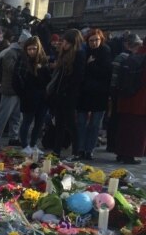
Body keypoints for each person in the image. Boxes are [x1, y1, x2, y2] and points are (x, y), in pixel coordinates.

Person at [48, 29, 86, 158]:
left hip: (69, 95)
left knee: (71, 124)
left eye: (64, 41)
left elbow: (77, 78)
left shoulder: (79, 55)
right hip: (59, 94)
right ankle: (56, 150)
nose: (62, 44)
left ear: (71, 42)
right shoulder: (64, 54)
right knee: (59, 124)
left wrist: (67, 91)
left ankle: (76, 151)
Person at [0, 30, 31, 146]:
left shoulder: (19, 53)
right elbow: (11, 69)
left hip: (18, 89)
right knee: (4, 115)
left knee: (17, 116)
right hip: (10, 88)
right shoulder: (10, 53)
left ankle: (14, 136)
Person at [76, 29, 112, 160]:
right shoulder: (83, 52)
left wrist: (91, 65)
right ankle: (80, 148)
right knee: (81, 123)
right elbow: (80, 72)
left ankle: (89, 149)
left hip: (99, 94)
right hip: (84, 93)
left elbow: (106, 72)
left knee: (95, 124)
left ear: (101, 40)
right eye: (91, 40)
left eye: (96, 40)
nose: (94, 43)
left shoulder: (105, 52)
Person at [13, 36, 51, 155]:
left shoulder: (43, 60)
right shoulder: (22, 60)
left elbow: (47, 78)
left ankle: (33, 144)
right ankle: (24, 144)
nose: (31, 51)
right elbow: (16, 78)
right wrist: (22, 94)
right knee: (27, 121)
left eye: (34, 49)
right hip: (28, 95)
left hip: (42, 96)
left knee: (39, 122)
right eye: (29, 49)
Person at [115, 34, 146, 164]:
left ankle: (121, 153)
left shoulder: (135, 54)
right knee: (136, 130)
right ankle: (130, 155)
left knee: (125, 127)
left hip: (126, 98)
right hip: (140, 100)